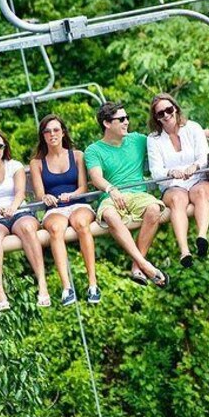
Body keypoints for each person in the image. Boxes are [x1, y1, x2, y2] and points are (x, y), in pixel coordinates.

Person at [85, 102, 169, 288]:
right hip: (111, 197)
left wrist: (202, 135)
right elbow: (97, 177)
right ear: (107, 124)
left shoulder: (137, 140)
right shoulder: (94, 150)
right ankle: (145, 264)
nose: (126, 122)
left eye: (127, 118)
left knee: (154, 209)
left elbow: (167, 139)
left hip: (138, 194)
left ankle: (138, 265)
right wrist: (111, 190)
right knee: (109, 214)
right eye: (121, 119)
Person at [0, 128, 49, 312]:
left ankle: (42, 285)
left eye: (0, 146)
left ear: (5, 148)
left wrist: (13, 207)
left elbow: (20, 192)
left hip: (18, 211)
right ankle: (0, 293)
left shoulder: (14, 166)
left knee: (28, 227)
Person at [29, 114, 100, 306]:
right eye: (47, 131)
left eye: (56, 130)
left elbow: (83, 188)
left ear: (63, 132)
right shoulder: (37, 163)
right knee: (55, 229)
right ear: (42, 135)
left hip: (77, 203)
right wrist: (47, 197)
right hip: (55, 209)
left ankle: (92, 283)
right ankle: (66, 287)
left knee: (81, 223)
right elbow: (39, 194)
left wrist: (72, 195)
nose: (52, 134)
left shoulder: (77, 155)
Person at [146, 93, 209, 268]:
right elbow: (156, 172)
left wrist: (195, 167)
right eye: (160, 113)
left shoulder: (192, 128)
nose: (166, 115)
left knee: (200, 193)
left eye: (169, 110)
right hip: (173, 184)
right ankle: (184, 250)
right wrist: (171, 172)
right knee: (177, 200)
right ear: (156, 118)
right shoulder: (154, 140)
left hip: (197, 178)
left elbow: (204, 156)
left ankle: (202, 236)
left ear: (176, 109)